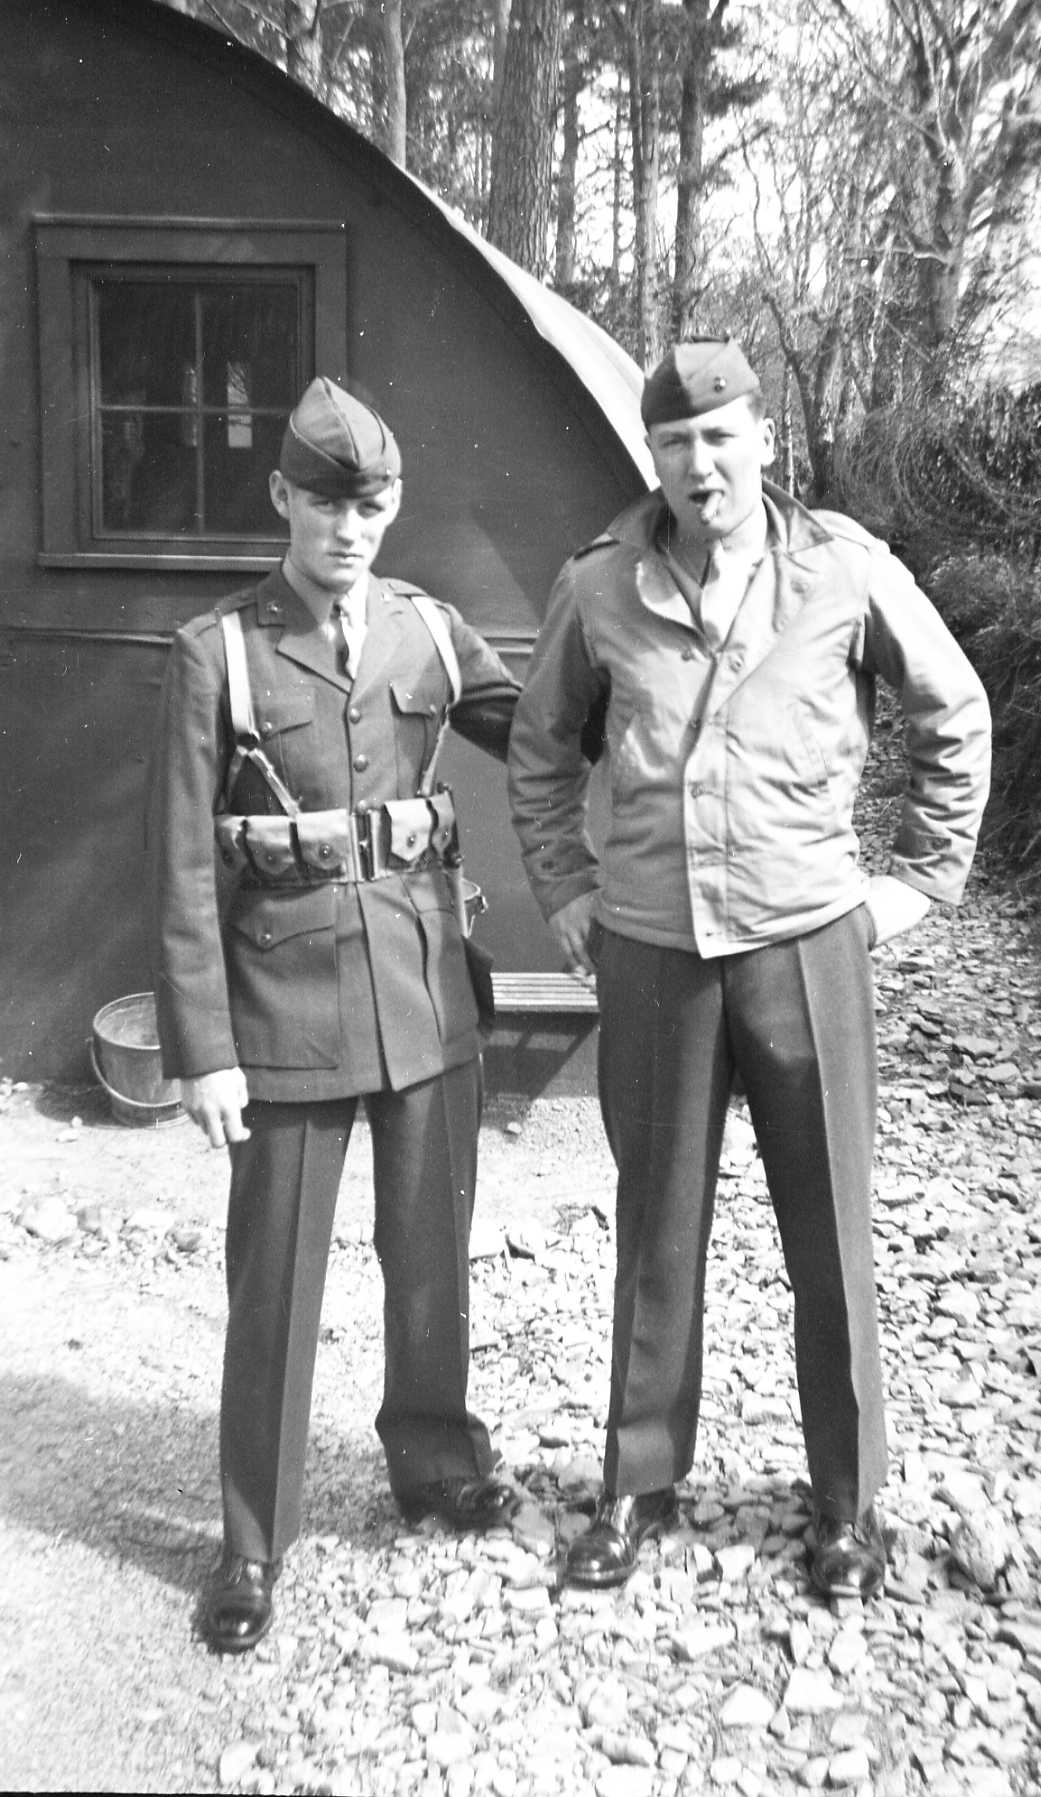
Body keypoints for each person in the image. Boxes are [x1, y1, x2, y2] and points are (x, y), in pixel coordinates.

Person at [508, 338, 991, 1602]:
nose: (699, 465)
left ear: (762, 441)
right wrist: (566, 889)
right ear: (652, 457)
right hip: (654, 949)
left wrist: (916, 881)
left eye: (719, 438)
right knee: (654, 1229)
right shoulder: (600, 583)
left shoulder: (841, 569)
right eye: (674, 444)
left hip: (803, 942)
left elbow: (953, 711)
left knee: (827, 1228)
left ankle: (846, 1503)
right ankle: (637, 1482)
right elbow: (540, 747)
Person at [148, 377, 522, 1654]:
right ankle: (252, 1539)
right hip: (284, 1012)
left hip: (422, 995)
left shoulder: (429, 631)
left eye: (369, 505)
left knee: (431, 1252)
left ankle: (436, 1461)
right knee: (275, 1282)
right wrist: (204, 1051)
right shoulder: (219, 652)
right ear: (282, 499)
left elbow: (547, 735)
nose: (347, 527)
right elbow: (182, 865)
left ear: (393, 506)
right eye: (324, 503)